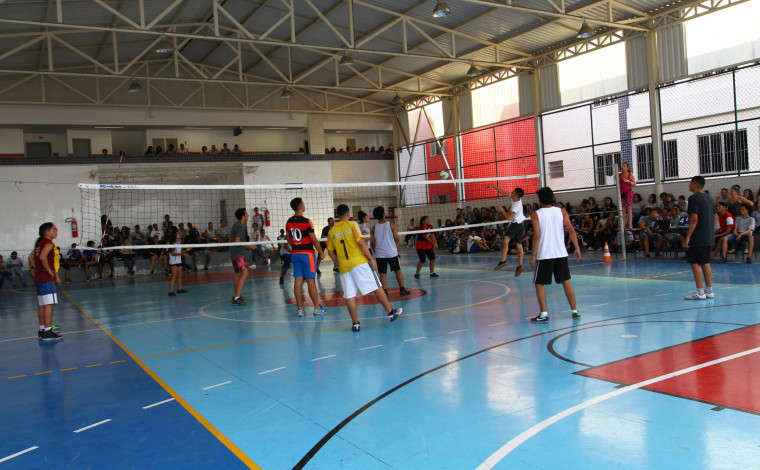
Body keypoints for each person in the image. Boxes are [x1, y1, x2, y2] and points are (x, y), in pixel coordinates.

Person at [327, 204, 403, 332]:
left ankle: (355, 323)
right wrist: (372, 259)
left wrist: (338, 264)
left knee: (349, 295)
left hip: (344, 267)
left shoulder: (332, 231)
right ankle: (391, 313)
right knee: (377, 286)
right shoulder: (352, 225)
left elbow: (330, 252)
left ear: (337, 215)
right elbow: (361, 243)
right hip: (359, 263)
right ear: (348, 214)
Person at [529, 187, 581, 323]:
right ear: (553, 197)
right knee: (566, 281)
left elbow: (536, 236)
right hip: (560, 253)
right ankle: (574, 311)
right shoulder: (561, 211)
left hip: (544, 254)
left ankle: (544, 314)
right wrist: (577, 248)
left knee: (539, 283)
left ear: (539, 200)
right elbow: (571, 230)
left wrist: (533, 255)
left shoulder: (535, 215)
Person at [286, 197, 327, 317]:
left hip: (295, 253)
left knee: (298, 280)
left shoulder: (289, 222)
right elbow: (314, 240)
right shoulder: (307, 221)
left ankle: (300, 309)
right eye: (303, 204)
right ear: (300, 207)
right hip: (307, 254)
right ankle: (317, 308)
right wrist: (321, 252)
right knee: (311, 281)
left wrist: (296, 244)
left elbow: (288, 238)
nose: (304, 205)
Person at [683, 176, 716, 300]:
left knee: (695, 262)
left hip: (698, 235)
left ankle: (700, 292)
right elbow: (715, 216)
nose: (689, 185)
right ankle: (709, 290)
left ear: (695, 185)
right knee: (705, 262)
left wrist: (688, 237)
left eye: (690, 183)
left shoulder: (693, 198)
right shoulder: (709, 197)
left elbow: (694, 219)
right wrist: (710, 230)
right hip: (708, 235)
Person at [370, 206, 410, 297]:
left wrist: (376, 252)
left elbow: (372, 242)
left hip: (380, 254)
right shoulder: (391, 225)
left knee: (382, 273)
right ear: (384, 214)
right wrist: (398, 250)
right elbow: (396, 238)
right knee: (398, 271)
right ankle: (402, 290)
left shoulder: (373, 228)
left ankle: (385, 293)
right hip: (391, 253)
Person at [32, 222, 63, 340]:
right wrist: (49, 271)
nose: (57, 230)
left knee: (42, 305)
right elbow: (42, 257)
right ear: (47, 232)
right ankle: (48, 331)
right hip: (46, 278)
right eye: (54, 229)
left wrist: (38, 268)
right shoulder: (48, 243)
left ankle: (42, 329)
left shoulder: (39, 244)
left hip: (39, 278)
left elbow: (31, 258)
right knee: (49, 304)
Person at [489, 185, 526, 276]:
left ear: (516, 195)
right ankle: (520, 265)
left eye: (513, 192)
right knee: (519, 245)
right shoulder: (517, 199)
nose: (511, 193)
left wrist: (502, 210)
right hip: (521, 225)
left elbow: (509, 218)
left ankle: (503, 261)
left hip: (516, 225)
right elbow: (504, 193)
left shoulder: (515, 206)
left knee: (505, 241)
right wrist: (494, 187)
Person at [229, 208, 253, 305]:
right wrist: (250, 246)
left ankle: (236, 294)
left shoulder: (237, 225)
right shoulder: (240, 226)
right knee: (245, 272)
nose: (248, 216)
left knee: (237, 273)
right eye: (246, 214)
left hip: (235, 252)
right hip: (238, 253)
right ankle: (237, 297)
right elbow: (238, 241)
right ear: (243, 216)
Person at [167, 228, 188, 296]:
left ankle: (179, 289)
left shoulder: (179, 242)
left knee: (180, 275)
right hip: (173, 262)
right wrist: (182, 254)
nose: (179, 234)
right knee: (174, 276)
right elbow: (173, 253)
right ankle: (170, 291)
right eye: (178, 233)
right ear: (175, 235)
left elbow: (180, 252)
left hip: (179, 261)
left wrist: (186, 250)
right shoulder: (172, 243)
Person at [619, 162, 637, 229]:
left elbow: (634, 183)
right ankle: (623, 224)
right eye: (622, 166)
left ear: (627, 168)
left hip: (628, 193)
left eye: (624, 166)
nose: (623, 167)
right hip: (622, 193)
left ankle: (630, 224)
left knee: (629, 209)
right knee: (623, 209)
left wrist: (628, 181)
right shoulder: (619, 175)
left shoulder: (630, 174)